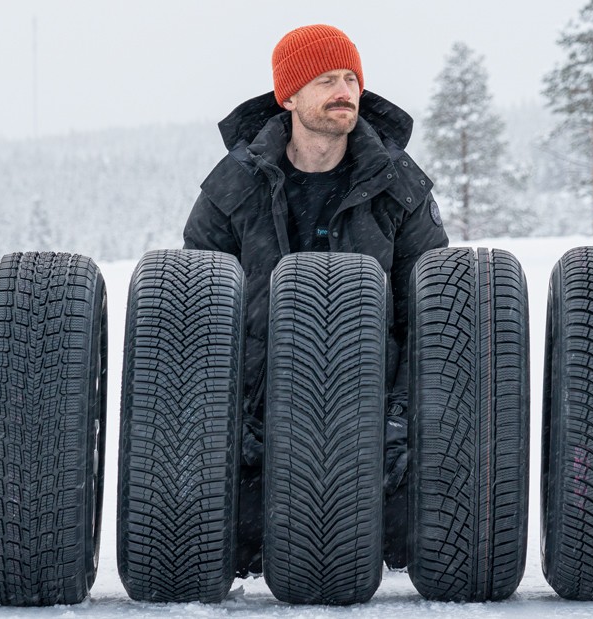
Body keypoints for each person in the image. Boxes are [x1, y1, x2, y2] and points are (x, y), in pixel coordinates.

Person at [182, 24, 449, 577]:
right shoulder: (234, 188)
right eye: (326, 78)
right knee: (228, 551)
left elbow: (431, 316)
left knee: (401, 548)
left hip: (375, 424)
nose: (344, 90)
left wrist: (399, 423)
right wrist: (232, 431)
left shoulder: (400, 186)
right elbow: (201, 318)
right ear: (289, 95)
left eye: (351, 78)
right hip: (259, 426)